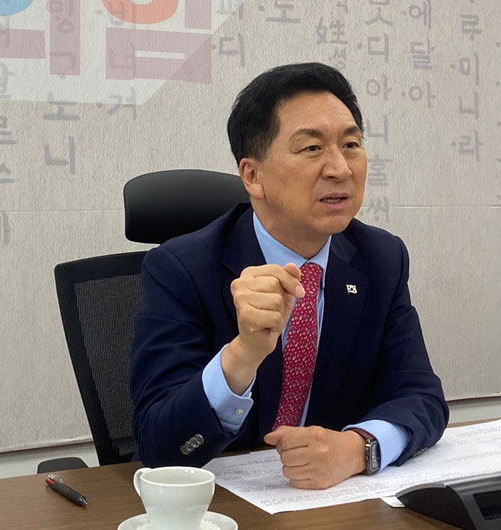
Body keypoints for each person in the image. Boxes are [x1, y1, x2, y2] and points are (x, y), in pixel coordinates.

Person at [130, 62, 448, 490]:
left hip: (329, 501)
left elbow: (421, 396)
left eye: (351, 144)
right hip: (214, 503)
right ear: (253, 176)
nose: (340, 168)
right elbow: (159, 446)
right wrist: (243, 354)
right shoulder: (181, 269)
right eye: (312, 148)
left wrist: (359, 447)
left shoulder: (381, 258)